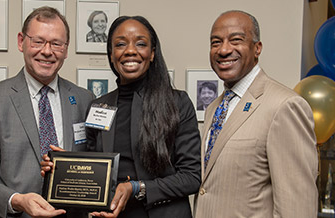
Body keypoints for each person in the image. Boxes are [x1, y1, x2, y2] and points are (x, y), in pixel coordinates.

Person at [43, 15, 201, 218]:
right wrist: (61, 167)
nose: (130, 51)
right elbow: (94, 170)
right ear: (111, 54)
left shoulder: (177, 103)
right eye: (120, 44)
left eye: (141, 44)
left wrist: (136, 188)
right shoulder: (99, 106)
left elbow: (191, 177)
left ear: (152, 53)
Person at [0, 6, 93, 218]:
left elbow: (94, 166)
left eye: (56, 44)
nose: (47, 51)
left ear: (66, 49)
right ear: (21, 41)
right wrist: (18, 200)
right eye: (38, 41)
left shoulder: (83, 99)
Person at [193, 10, 318, 217]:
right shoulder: (214, 108)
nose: (224, 50)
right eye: (216, 42)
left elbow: (297, 208)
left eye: (236, 40)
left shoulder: (284, 106)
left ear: (257, 48)